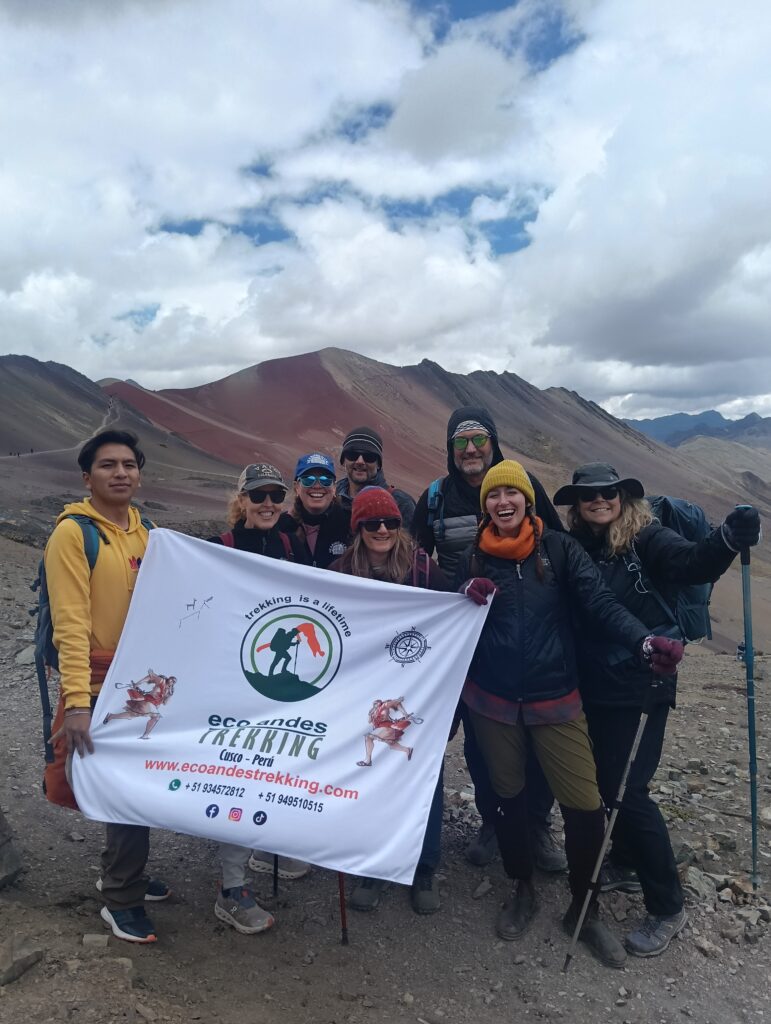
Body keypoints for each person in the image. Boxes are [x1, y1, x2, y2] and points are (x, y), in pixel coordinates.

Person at [457, 460, 684, 967]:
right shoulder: (474, 556)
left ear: (527, 501)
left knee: (584, 804)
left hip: (556, 699)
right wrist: (462, 595)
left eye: (512, 494)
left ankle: (586, 907)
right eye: (494, 497)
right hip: (492, 703)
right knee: (508, 798)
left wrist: (642, 641)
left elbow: (601, 603)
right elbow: (450, 616)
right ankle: (522, 887)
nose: (503, 503)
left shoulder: (560, 550)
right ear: (485, 506)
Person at [554, 462, 761, 957]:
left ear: (623, 497)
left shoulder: (647, 537)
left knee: (628, 790)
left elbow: (691, 564)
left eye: (608, 493)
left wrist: (727, 540)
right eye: (588, 496)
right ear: (577, 506)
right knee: (607, 782)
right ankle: (623, 860)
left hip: (645, 680)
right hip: (597, 683)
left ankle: (668, 905)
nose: (599, 501)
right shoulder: (580, 547)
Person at [411, 406, 566, 872]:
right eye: (461, 443)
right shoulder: (435, 498)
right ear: (450, 449)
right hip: (463, 645)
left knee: (537, 736)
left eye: (479, 439)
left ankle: (536, 824)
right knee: (481, 741)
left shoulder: (526, 486)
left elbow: (560, 549)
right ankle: (493, 820)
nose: (472, 450)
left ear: (494, 443)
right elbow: (414, 562)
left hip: (528, 637)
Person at [44, 429, 166, 943]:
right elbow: (71, 623)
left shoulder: (148, 532)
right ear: (86, 476)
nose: (120, 473)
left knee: (142, 785)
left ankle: (125, 872)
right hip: (97, 684)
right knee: (124, 792)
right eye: (107, 465)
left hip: (141, 683)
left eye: (129, 465)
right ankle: (120, 897)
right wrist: (76, 704)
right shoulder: (73, 534)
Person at [329, 486, 455, 914]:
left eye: (390, 522)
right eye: (371, 523)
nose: (382, 529)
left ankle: (423, 867)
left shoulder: (425, 571)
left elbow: (453, 624)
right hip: (362, 700)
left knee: (425, 779)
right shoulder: (339, 571)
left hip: (418, 698)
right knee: (370, 778)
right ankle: (374, 867)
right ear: (357, 528)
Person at [206, 462, 309, 934]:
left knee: (280, 769)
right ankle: (232, 888)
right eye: (258, 495)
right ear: (241, 500)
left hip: (278, 691)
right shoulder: (219, 548)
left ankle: (274, 841)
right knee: (239, 779)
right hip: (233, 686)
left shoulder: (290, 543)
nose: (268, 503)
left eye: (275, 495)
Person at [335, 426, 416, 530]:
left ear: (378, 464)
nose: (360, 461)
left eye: (369, 457)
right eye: (352, 455)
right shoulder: (331, 498)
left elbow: (411, 544)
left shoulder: (401, 503)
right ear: (343, 461)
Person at [279, 453, 351, 568]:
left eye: (325, 480)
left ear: (334, 488)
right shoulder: (281, 526)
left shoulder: (349, 525)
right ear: (296, 487)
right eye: (308, 480)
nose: (317, 486)